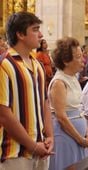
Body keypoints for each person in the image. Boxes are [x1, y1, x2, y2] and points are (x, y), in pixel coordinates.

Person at [0, 11, 53, 169]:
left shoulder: (38, 65)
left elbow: (45, 102)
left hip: (41, 147)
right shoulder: (4, 65)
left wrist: (49, 136)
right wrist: (32, 145)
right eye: (35, 29)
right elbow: (3, 114)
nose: (41, 34)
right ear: (20, 34)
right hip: (14, 153)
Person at [48, 37, 88, 170]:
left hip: (76, 136)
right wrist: (79, 139)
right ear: (66, 61)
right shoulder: (59, 83)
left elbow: (79, 109)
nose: (83, 60)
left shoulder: (73, 78)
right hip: (65, 137)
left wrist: (87, 132)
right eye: (78, 57)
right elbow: (61, 117)